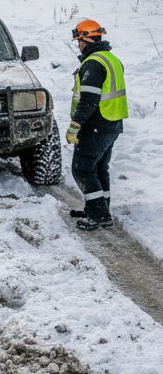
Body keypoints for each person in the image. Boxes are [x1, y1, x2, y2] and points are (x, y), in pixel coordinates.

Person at [65, 19, 128, 231]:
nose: (78, 45)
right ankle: (99, 208)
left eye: (79, 41)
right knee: (100, 168)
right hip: (111, 123)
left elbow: (89, 101)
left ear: (85, 40)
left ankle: (99, 215)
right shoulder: (111, 58)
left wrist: (75, 125)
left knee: (82, 169)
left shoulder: (93, 64)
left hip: (95, 125)